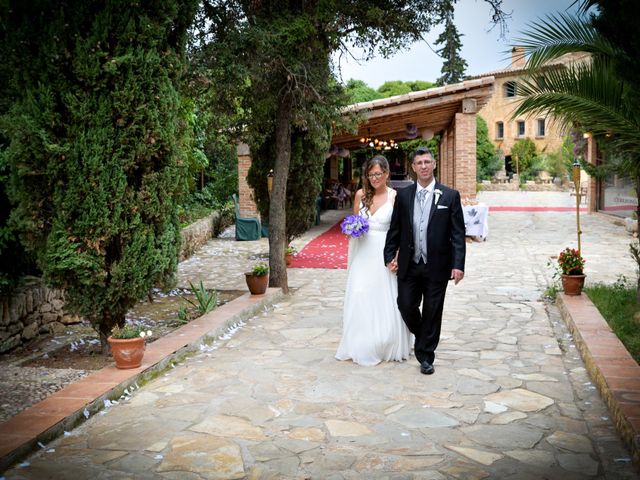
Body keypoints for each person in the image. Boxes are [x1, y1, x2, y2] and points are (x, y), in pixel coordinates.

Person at [383, 147, 465, 375]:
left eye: (427, 162)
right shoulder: (404, 196)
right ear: (413, 167)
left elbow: (458, 234)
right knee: (405, 304)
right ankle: (423, 336)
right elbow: (395, 230)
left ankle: (426, 356)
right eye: (419, 163)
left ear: (434, 164)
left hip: (438, 265)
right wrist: (389, 256)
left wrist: (458, 264)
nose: (424, 166)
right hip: (410, 264)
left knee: (432, 310)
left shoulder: (450, 196)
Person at [336, 155, 412, 366]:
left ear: (386, 174)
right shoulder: (361, 195)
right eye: (371, 174)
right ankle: (361, 342)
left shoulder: (395, 196)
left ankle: (385, 341)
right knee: (360, 293)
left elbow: (400, 230)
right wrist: (352, 229)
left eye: (378, 174)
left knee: (384, 296)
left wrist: (396, 255)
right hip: (363, 252)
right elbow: (353, 221)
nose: (374, 178)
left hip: (384, 253)